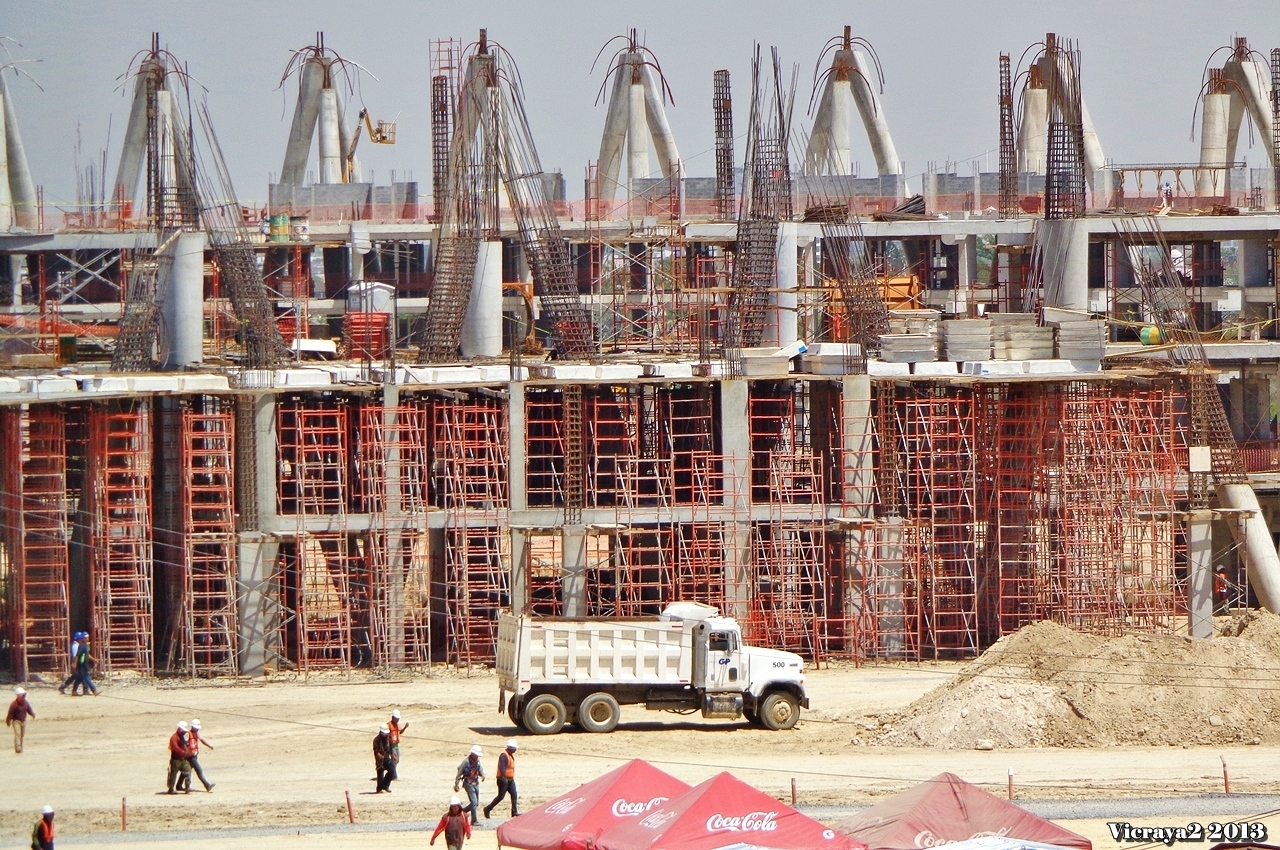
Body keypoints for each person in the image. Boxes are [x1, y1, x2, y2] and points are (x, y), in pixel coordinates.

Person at [484, 739, 518, 819]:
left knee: (514, 794)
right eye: (515, 748)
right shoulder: (504, 755)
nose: (516, 750)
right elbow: (502, 767)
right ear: (510, 748)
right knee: (501, 796)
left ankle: (514, 812)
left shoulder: (509, 754)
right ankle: (487, 808)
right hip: (503, 780)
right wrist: (504, 778)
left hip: (510, 779)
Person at [453, 744, 485, 825]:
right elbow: (459, 773)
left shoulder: (477, 761)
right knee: (474, 802)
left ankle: (461, 812)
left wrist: (483, 775)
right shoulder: (466, 762)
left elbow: (480, 769)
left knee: (476, 803)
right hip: (468, 784)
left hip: (476, 783)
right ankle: (474, 821)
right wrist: (456, 784)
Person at [185, 719, 215, 792]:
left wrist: (209, 746)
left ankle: (183, 786)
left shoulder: (196, 733)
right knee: (199, 770)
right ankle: (207, 785)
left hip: (194, 755)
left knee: (187, 771)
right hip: (190, 756)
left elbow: (202, 739)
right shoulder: (188, 734)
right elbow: (184, 744)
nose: (197, 729)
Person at [166, 721, 195, 794]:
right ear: (179, 729)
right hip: (175, 760)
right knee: (173, 774)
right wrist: (184, 752)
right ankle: (171, 789)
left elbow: (185, 745)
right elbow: (175, 747)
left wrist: (188, 752)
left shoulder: (183, 736)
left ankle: (187, 787)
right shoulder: (174, 737)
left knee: (188, 770)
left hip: (183, 759)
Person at [6, 687, 35, 754]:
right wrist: (8, 721)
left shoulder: (26, 702)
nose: (24, 697)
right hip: (16, 721)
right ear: (18, 696)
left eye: (24, 695)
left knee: (22, 735)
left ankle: (21, 747)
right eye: (23, 695)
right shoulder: (14, 704)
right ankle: (18, 748)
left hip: (23, 721)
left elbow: (29, 709)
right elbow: (10, 714)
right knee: (17, 734)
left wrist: (32, 714)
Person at [373, 725, 397, 793]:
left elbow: (391, 747)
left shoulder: (388, 738)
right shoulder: (376, 740)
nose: (385, 734)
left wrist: (393, 755)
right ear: (381, 732)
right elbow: (376, 752)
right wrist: (381, 757)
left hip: (386, 758)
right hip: (379, 760)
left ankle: (385, 786)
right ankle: (379, 789)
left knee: (392, 770)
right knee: (380, 774)